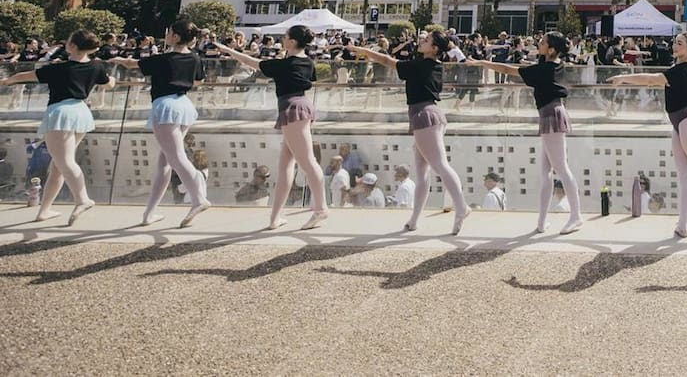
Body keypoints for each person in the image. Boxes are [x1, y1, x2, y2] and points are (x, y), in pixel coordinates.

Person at [610, 32, 687, 239]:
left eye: (679, 44)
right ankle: (682, 224)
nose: (674, 46)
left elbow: (651, 79)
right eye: (674, 43)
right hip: (679, 124)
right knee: (684, 177)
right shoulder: (678, 68)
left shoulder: (681, 70)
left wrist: (623, 77)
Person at [464, 31, 583, 234]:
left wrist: (482, 63)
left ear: (551, 49)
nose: (540, 43)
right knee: (547, 172)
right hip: (551, 114)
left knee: (561, 169)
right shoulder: (554, 66)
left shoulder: (545, 69)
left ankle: (576, 216)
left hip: (551, 115)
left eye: (543, 42)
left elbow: (507, 69)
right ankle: (542, 220)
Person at [351, 30, 469, 234]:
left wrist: (363, 50)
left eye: (427, 40)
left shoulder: (420, 64)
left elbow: (388, 61)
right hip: (431, 116)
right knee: (424, 172)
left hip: (424, 116)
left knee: (439, 166)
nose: (422, 40)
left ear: (434, 48)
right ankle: (415, 220)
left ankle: (461, 207)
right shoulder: (435, 66)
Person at [215, 25, 328, 230]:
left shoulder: (284, 64)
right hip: (300, 107)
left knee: (307, 162)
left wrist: (229, 51)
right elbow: (308, 81)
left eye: (285, 37)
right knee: (286, 165)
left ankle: (321, 209)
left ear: (292, 41)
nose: (283, 39)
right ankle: (275, 217)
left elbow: (254, 63)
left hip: (292, 109)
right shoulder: (307, 62)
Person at [0, 30, 111, 224]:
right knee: (58, 166)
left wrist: (8, 80)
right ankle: (44, 210)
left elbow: (29, 75)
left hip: (61, 113)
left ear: (73, 46)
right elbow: (108, 83)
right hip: (81, 112)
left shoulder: (59, 68)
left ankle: (82, 199)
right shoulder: (97, 66)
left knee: (65, 162)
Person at [109, 20, 210, 228]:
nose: (167, 35)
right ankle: (149, 213)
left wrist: (117, 59)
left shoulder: (164, 58)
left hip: (166, 106)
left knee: (175, 158)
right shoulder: (195, 57)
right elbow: (199, 81)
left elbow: (134, 65)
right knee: (165, 163)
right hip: (184, 105)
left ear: (176, 37)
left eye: (170, 32)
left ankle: (198, 197)